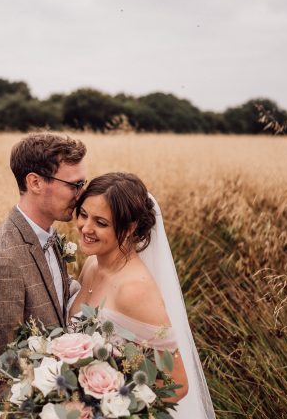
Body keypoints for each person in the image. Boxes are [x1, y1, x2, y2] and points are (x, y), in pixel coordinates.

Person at [69, 172, 216, 418]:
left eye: (101, 222)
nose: (86, 227)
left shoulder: (134, 290)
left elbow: (177, 383)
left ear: (129, 228)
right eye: (83, 215)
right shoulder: (92, 265)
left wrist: (107, 411)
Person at [0, 133, 87, 406]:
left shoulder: (50, 238)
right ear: (35, 182)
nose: (81, 195)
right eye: (74, 185)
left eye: (83, 183)